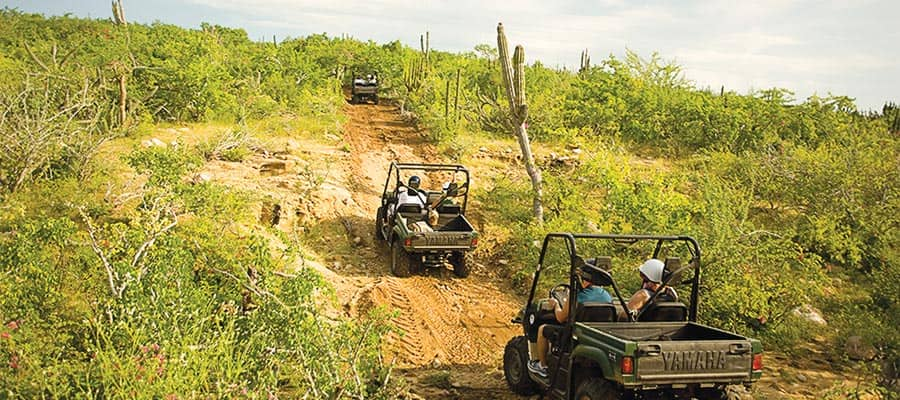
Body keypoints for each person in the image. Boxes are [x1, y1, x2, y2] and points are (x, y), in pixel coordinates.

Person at [527, 265, 612, 378]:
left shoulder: (577, 296)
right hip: (595, 335)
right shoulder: (606, 295)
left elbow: (560, 318)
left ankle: (542, 366)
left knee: (542, 329)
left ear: (585, 280)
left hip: (573, 337)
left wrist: (556, 305)